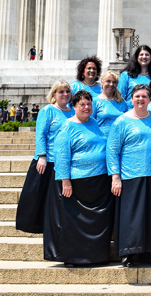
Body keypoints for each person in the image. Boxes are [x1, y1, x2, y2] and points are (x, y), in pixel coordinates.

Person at [44, 90, 113, 266]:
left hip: (99, 180)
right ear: (74, 106)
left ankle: (96, 256)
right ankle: (76, 257)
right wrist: (65, 181)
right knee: (75, 222)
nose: (86, 107)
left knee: (97, 223)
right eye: (81, 104)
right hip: (77, 182)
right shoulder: (67, 126)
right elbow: (61, 155)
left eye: (89, 104)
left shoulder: (95, 123)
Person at [107, 84, 151, 267]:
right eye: (137, 96)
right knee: (131, 217)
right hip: (130, 175)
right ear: (131, 99)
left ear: (149, 99)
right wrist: (115, 176)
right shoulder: (122, 121)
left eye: (144, 96)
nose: (141, 99)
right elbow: (112, 149)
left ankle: (150, 251)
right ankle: (130, 253)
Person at [16, 81, 74, 234]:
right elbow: (40, 133)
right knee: (39, 195)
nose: (65, 94)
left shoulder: (73, 111)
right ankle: (36, 224)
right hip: (48, 160)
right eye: (61, 92)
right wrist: (42, 156)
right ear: (54, 94)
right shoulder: (47, 110)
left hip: (64, 160)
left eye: (67, 91)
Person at [118, 45, 151, 109]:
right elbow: (120, 97)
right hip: (130, 113)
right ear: (137, 57)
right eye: (141, 54)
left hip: (150, 113)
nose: (144, 57)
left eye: (147, 55)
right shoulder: (126, 75)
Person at [92, 70, 128, 138]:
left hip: (119, 140)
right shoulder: (95, 101)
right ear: (102, 82)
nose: (111, 84)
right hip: (101, 140)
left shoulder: (123, 103)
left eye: (114, 82)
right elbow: (90, 123)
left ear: (117, 84)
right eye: (108, 81)